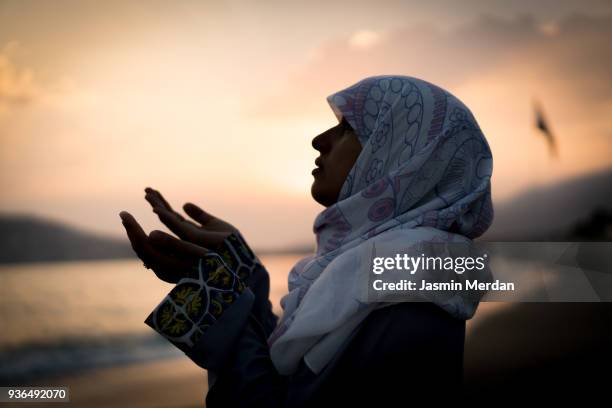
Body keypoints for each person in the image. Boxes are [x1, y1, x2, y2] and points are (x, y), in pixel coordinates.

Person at [120, 75, 494, 406]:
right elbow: (287, 378)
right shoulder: (397, 268)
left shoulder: (404, 289)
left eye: (349, 128)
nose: (319, 140)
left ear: (403, 156)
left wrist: (214, 295)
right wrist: (240, 268)